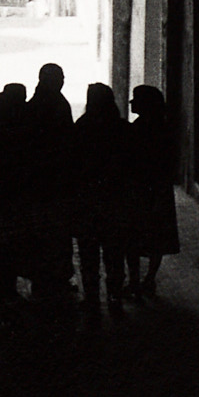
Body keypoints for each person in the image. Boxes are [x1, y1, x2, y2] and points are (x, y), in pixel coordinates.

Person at [71, 83, 128, 316]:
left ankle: (92, 298)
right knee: (115, 253)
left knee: (89, 253)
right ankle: (115, 297)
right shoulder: (122, 128)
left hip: (87, 200)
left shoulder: (82, 127)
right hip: (115, 199)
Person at [122, 84, 180, 299]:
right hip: (157, 189)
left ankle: (136, 280)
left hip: (140, 189)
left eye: (135, 99)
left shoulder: (137, 129)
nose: (131, 102)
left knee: (133, 237)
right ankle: (148, 279)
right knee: (156, 236)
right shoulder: (163, 129)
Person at [24, 62, 76, 297]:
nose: (63, 81)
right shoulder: (58, 105)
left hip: (39, 181)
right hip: (55, 182)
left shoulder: (35, 105)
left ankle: (43, 275)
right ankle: (56, 275)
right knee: (56, 231)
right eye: (60, 77)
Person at [0, 82, 32, 306]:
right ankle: (11, 284)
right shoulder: (25, 120)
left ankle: (4, 286)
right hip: (20, 185)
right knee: (17, 234)